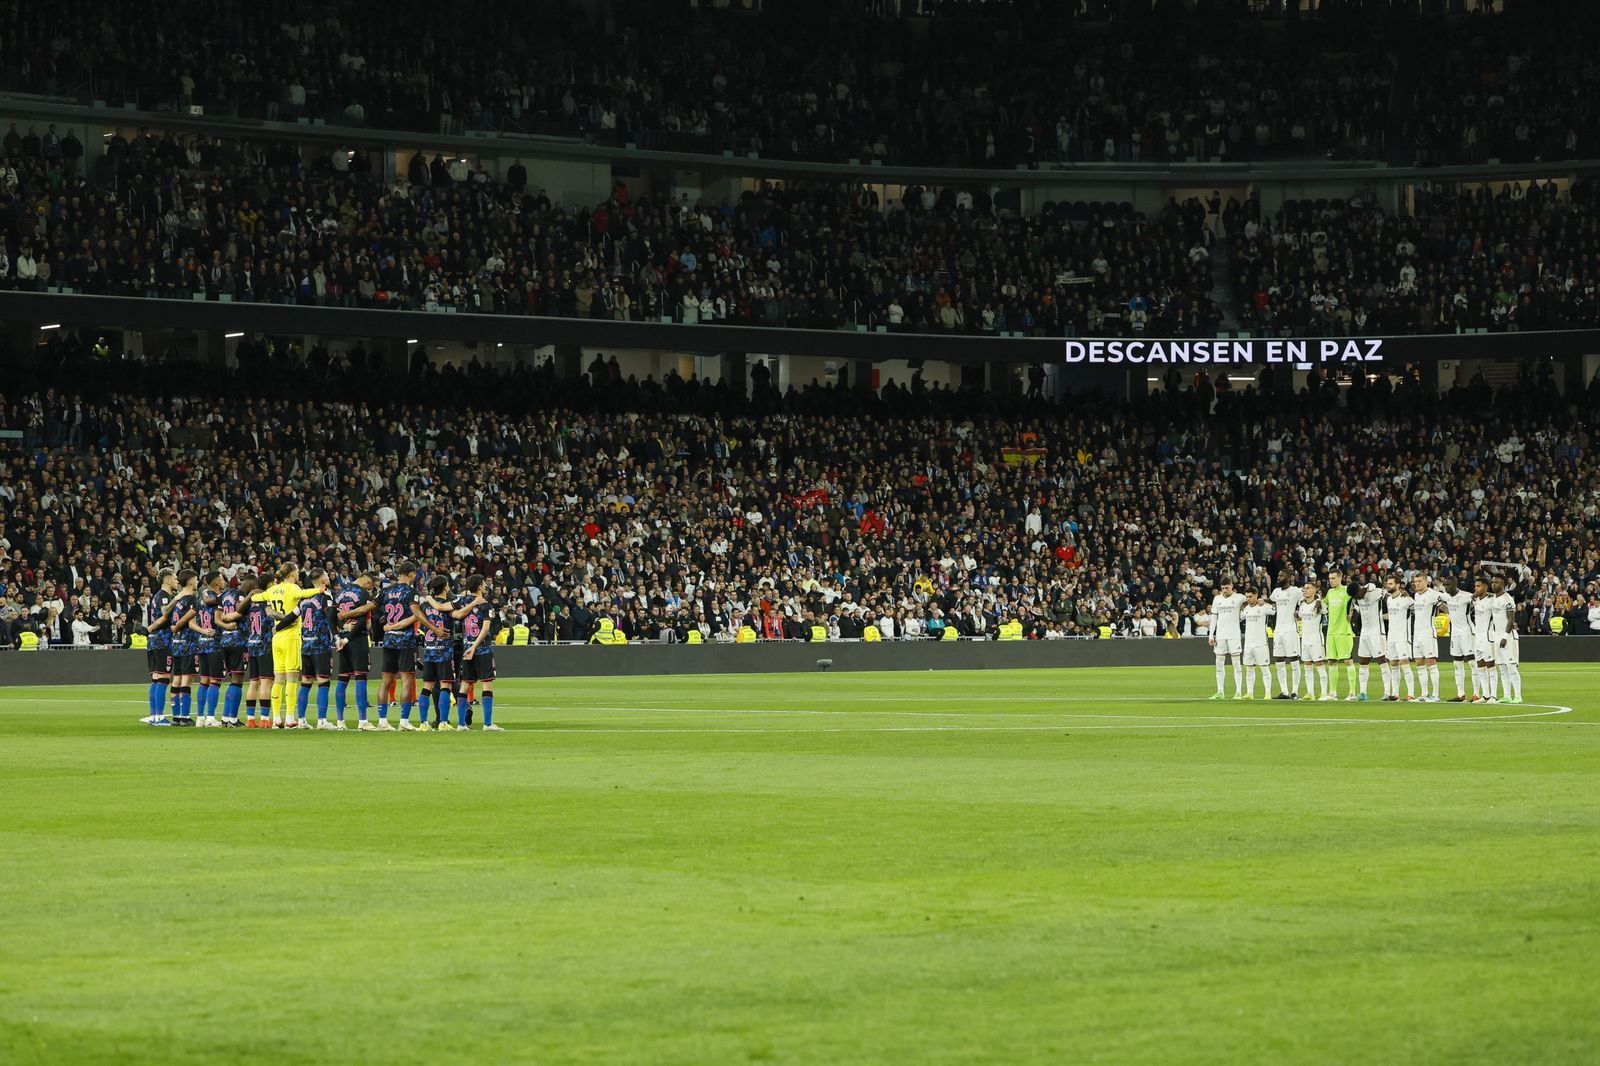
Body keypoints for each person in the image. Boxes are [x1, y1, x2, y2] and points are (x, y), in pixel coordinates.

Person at [254, 563, 316, 727]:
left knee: (278, 679)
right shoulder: (293, 588)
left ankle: (276, 719)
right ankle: (289, 718)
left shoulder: (273, 590)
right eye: (297, 572)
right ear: (292, 573)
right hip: (291, 637)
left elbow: (256, 597)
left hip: (277, 638)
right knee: (292, 678)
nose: (298, 575)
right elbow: (304, 593)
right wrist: (320, 590)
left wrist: (256, 596)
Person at [378, 561, 427, 729]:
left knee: (385, 681)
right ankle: (404, 721)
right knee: (406, 680)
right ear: (411, 574)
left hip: (388, 639)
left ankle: (382, 721)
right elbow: (416, 615)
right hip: (405, 640)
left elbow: (375, 609)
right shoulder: (411, 592)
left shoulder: (386, 591)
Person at [293, 569, 340, 730]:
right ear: (321, 580)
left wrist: (279, 627)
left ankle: (301, 720)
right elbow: (330, 617)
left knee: (306, 682)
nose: (329, 577)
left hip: (306, 644)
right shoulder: (325, 595)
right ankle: (322, 720)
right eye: (327, 575)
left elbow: (292, 616)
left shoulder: (304, 597)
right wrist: (337, 636)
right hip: (320, 644)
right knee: (323, 682)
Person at [457, 574, 502, 731]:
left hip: (466, 648)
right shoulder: (485, 605)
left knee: (464, 685)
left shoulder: (463, 602)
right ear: (479, 587)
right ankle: (487, 724)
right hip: (481, 649)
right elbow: (486, 629)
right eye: (483, 584)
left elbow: (449, 610)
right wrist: (475, 646)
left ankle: (461, 724)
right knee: (486, 684)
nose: (486, 586)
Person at [335, 571, 378, 729]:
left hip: (343, 637)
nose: (370, 589)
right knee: (360, 677)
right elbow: (361, 620)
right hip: (357, 639)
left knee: (342, 679)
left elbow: (333, 615)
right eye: (371, 586)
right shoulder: (362, 593)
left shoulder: (340, 592)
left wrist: (342, 631)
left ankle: (340, 722)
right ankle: (362, 722)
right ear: (367, 583)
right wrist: (349, 637)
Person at [417, 576, 458, 730]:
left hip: (429, 650)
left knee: (427, 686)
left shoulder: (426, 605)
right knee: (445, 685)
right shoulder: (448, 605)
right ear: (446, 586)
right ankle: (443, 722)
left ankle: (423, 723)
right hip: (444, 650)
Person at [141, 568, 180, 726]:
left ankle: (154, 716)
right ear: (168, 580)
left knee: (156, 679)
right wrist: (178, 598)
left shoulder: (157, 597)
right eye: (175, 578)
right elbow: (165, 614)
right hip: (162, 641)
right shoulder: (164, 597)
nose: (177, 581)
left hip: (153, 641)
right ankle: (159, 717)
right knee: (163, 679)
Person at [242, 573, 277, 727]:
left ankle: (250, 719)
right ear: (269, 585)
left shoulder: (252, 601)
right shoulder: (266, 599)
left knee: (253, 682)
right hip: (265, 644)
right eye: (274, 583)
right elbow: (270, 614)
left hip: (252, 642)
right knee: (266, 682)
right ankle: (264, 719)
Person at [192, 571, 226, 726]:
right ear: (217, 582)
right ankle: (211, 717)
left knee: (204, 681)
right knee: (215, 681)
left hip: (202, 642)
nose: (225, 581)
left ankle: (200, 717)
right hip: (214, 642)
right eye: (223, 579)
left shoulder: (201, 598)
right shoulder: (211, 595)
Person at [167, 569, 201, 726]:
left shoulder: (177, 599)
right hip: (188, 643)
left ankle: (176, 717)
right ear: (190, 581)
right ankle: (185, 716)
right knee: (187, 680)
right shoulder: (191, 599)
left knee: (177, 679)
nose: (197, 581)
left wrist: (174, 628)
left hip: (176, 644)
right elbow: (189, 622)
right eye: (196, 579)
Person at [217, 572, 250, 727]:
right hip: (238, 640)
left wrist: (224, 618)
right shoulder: (242, 596)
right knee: (237, 680)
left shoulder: (224, 595)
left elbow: (218, 615)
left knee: (232, 680)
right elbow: (239, 612)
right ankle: (233, 719)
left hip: (225, 639)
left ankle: (225, 718)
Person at [1409, 573, 1445, 703]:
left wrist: (1451, 616)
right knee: (1419, 663)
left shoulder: (1433, 594)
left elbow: (1446, 602)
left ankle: (1435, 695)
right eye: (1415, 581)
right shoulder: (1416, 595)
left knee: (1431, 663)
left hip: (1428, 633)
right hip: (1417, 634)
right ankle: (1424, 694)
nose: (1416, 583)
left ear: (1426, 582)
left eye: (1419, 581)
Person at [1207, 578, 1245, 700]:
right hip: (1220, 636)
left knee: (1236, 664)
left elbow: (1251, 601)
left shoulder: (1240, 598)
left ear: (1232, 586)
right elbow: (1214, 617)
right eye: (1222, 588)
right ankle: (1220, 692)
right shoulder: (1217, 599)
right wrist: (1211, 635)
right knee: (1219, 664)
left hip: (1234, 635)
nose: (1225, 590)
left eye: (1227, 588)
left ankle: (1238, 692)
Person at [1268, 569, 1303, 699]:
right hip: (1278, 631)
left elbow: (1310, 596)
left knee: (1294, 661)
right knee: (1279, 661)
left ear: (1289, 578)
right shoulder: (1276, 592)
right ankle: (1284, 692)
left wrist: (1299, 610)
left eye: (1281, 575)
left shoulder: (1296, 591)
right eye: (1278, 575)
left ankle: (1295, 691)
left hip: (1291, 630)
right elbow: (1270, 601)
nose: (1279, 577)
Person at [1441, 574, 1475, 702]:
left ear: (1455, 585)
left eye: (1448, 585)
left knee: (1472, 663)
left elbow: (1479, 598)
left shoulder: (1466, 596)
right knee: (1457, 664)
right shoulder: (1447, 598)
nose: (1446, 587)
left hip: (1467, 632)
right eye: (1444, 585)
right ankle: (1460, 694)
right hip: (1454, 634)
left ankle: (1476, 693)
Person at [1490, 575, 1522, 704]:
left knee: (1511, 667)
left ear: (1503, 584)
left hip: (1508, 637)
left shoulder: (1507, 599)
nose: (1493, 584)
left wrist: (1504, 636)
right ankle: (1507, 695)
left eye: (1496, 582)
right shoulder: (1492, 598)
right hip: (1496, 636)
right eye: (1492, 582)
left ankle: (1518, 696)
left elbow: (1511, 620)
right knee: (1502, 667)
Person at [1296, 581, 1331, 701]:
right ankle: (1310, 693)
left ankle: (1324, 693)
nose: (1305, 590)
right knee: (1307, 667)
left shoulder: (1319, 603)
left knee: (1320, 666)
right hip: (1304, 639)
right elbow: (1299, 616)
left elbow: (1326, 612)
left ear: (1314, 590)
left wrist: (1320, 601)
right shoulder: (1302, 604)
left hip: (1316, 640)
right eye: (1304, 588)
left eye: (1308, 588)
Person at [1323, 569, 1355, 700]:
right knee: (1331, 662)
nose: (1331, 581)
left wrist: (1351, 611)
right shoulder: (1330, 592)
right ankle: (1333, 693)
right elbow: (1324, 604)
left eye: (1333, 578)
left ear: (1340, 578)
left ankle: (1352, 693)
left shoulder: (1347, 590)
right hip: (1331, 632)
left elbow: (1357, 596)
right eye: (1329, 578)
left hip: (1343, 631)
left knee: (1348, 660)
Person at [1382, 574, 1415, 702]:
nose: (1388, 586)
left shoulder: (1407, 599)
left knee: (1404, 663)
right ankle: (1395, 694)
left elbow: (1417, 611)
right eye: (1387, 584)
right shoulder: (1389, 599)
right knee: (1393, 664)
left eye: (1391, 584)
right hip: (1391, 636)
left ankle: (1410, 694)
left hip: (1402, 636)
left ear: (1398, 585)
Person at [1351, 578, 1384, 702]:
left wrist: (1371, 587)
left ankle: (1387, 693)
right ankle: (1363, 693)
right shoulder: (1359, 598)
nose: (1357, 598)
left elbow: (1382, 592)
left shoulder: (1374, 593)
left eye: (1357, 594)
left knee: (1381, 660)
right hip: (1364, 633)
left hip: (1376, 632)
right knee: (1363, 661)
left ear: (1361, 589)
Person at [1240, 587, 1273, 700]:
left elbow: (1275, 610)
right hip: (1248, 643)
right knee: (1249, 669)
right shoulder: (1246, 609)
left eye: (1250, 596)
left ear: (1256, 595)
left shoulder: (1263, 606)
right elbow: (1240, 618)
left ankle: (1268, 693)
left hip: (1260, 643)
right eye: (1247, 597)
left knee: (1264, 668)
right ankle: (1250, 693)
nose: (1248, 599)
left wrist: (1265, 601)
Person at [1470, 576, 1499, 703]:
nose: (1476, 588)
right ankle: (1486, 695)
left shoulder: (1492, 599)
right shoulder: (1475, 600)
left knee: (1490, 665)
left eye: (1479, 586)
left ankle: (1494, 695)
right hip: (1478, 637)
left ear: (1486, 587)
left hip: (1488, 637)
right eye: (1475, 586)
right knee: (1480, 666)